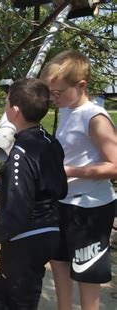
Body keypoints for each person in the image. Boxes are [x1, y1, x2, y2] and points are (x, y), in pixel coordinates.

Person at [0, 78, 68, 309]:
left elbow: (16, 217)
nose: (6, 106)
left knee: (12, 300)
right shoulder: (50, 141)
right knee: (3, 294)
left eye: (7, 102)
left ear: (15, 111)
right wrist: (9, 179)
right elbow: (60, 188)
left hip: (26, 239)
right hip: (50, 231)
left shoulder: (20, 152)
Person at [40, 50, 117, 310]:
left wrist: (68, 171)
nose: (53, 98)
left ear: (81, 85)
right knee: (59, 265)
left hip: (90, 209)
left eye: (58, 93)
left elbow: (115, 166)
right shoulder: (67, 111)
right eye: (51, 93)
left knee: (87, 274)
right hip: (63, 203)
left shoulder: (94, 117)